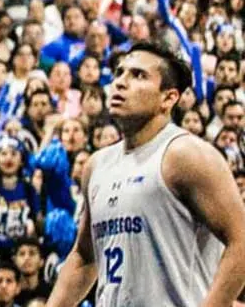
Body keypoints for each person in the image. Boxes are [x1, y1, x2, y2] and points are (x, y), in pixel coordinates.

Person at [46, 40, 245, 307]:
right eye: (119, 73)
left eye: (138, 75)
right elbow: (84, 257)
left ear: (169, 98)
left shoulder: (185, 155)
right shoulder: (97, 165)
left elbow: (241, 241)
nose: (120, 83)